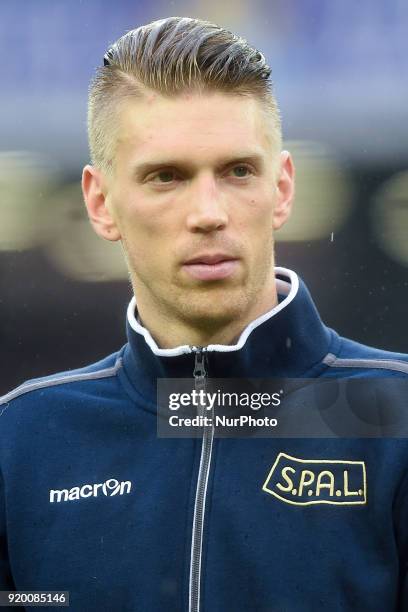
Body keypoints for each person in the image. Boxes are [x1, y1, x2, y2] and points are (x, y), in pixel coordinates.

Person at [1, 16, 407, 612]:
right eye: (167, 177)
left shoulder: (392, 416)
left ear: (283, 188)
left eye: (238, 171)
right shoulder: (23, 441)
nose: (209, 212)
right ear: (100, 202)